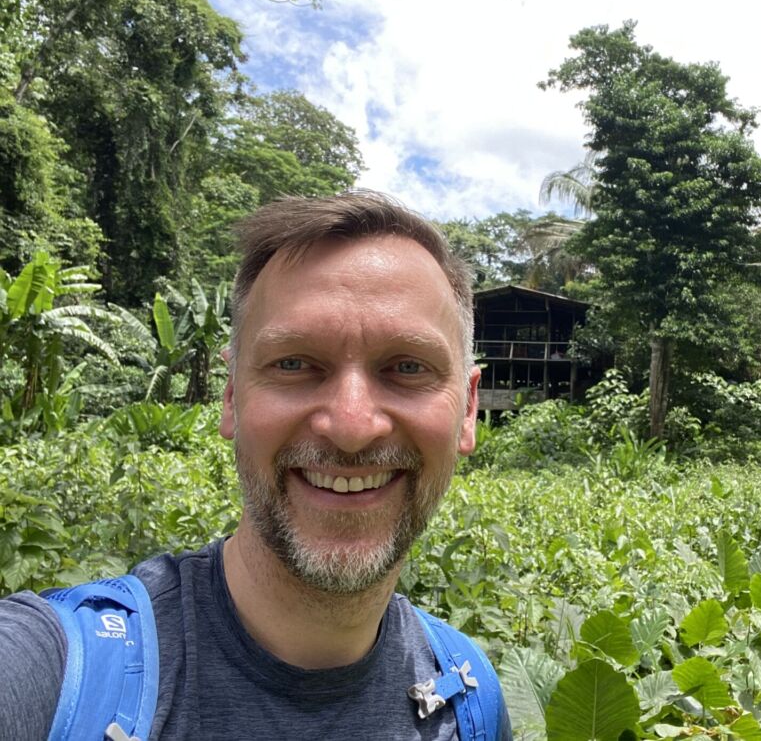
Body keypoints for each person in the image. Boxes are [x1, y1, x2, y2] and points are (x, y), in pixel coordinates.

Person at [0, 191, 512, 739]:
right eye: (293, 363)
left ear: (467, 409)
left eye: (408, 367)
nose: (352, 425)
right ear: (230, 396)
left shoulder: (468, 696)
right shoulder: (53, 670)